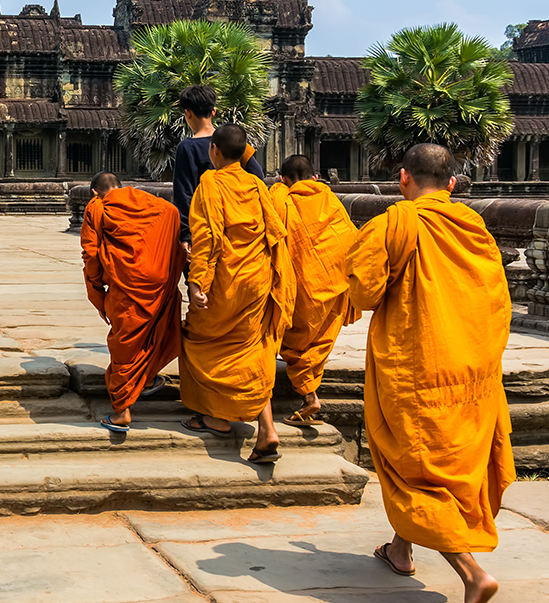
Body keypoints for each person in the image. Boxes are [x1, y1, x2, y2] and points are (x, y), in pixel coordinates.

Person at [347, 143, 512, 603]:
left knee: (414, 470)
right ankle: (401, 550)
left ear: (404, 179)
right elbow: (497, 298)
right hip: (471, 368)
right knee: (441, 464)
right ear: (453, 184)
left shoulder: (394, 223)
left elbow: (362, 293)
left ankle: (471, 572)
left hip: (415, 368)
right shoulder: (474, 226)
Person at [180, 124, 294, 464]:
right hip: (257, 279)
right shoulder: (258, 185)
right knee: (255, 348)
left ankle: (216, 417)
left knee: (201, 341)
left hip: (225, 282)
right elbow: (275, 232)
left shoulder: (210, 185)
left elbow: (208, 238)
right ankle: (267, 428)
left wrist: (197, 281)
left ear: (214, 150)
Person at [81, 171, 184, 432]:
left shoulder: (97, 208)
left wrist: (96, 291)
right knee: (152, 333)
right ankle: (146, 379)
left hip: (126, 285)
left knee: (123, 344)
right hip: (158, 283)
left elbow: (91, 254)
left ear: (95, 192)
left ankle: (122, 411)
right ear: (120, 186)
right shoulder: (154, 203)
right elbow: (174, 215)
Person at [270, 154, 359, 427]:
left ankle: (310, 396)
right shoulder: (331, 200)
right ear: (315, 178)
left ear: (284, 179)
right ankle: (309, 394)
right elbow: (349, 239)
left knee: (293, 339)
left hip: (300, 290)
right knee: (318, 339)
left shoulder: (280, 200)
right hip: (331, 285)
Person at [172, 85, 264, 251]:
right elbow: (258, 177)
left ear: (188, 113)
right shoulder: (235, 140)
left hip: (205, 227)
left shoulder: (187, 147)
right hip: (240, 225)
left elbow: (184, 194)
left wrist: (186, 234)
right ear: (213, 112)